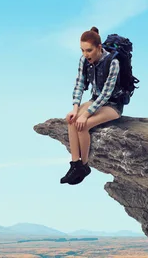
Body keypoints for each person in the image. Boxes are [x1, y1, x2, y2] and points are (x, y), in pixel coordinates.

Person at [60, 26, 126, 185]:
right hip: (95, 100)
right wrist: (76, 109)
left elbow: (106, 94)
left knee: (83, 125)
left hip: (112, 104)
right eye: (82, 50)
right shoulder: (84, 60)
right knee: (72, 121)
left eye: (89, 50)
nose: (85, 54)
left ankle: (84, 165)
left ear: (99, 47)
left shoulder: (113, 62)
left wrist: (85, 114)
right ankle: (75, 164)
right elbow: (79, 84)